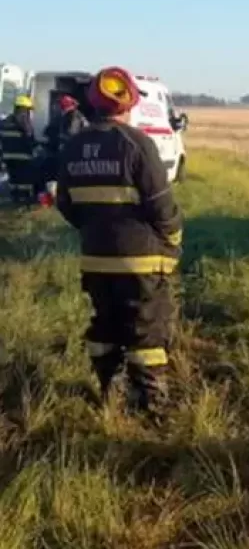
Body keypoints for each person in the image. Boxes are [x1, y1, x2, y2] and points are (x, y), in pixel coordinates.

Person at [55, 67, 183, 423]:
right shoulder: (137, 143)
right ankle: (153, 410)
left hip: (95, 260)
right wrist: (172, 242)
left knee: (105, 327)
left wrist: (95, 229)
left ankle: (108, 393)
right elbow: (162, 205)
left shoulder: (74, 146)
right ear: (129, 102)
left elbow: (65, 203)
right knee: (147, 333)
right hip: (141, 261)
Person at [0, 94, 40, 205]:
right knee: (25, 183)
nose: (28, 113)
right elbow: (30, 142)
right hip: (24, 160)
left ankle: (15, 201)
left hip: (9, 159)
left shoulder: (3, 123)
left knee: (14, 182)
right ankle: (23, 203)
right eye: (27, 110)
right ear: (22, 109)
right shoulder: (25, 123)